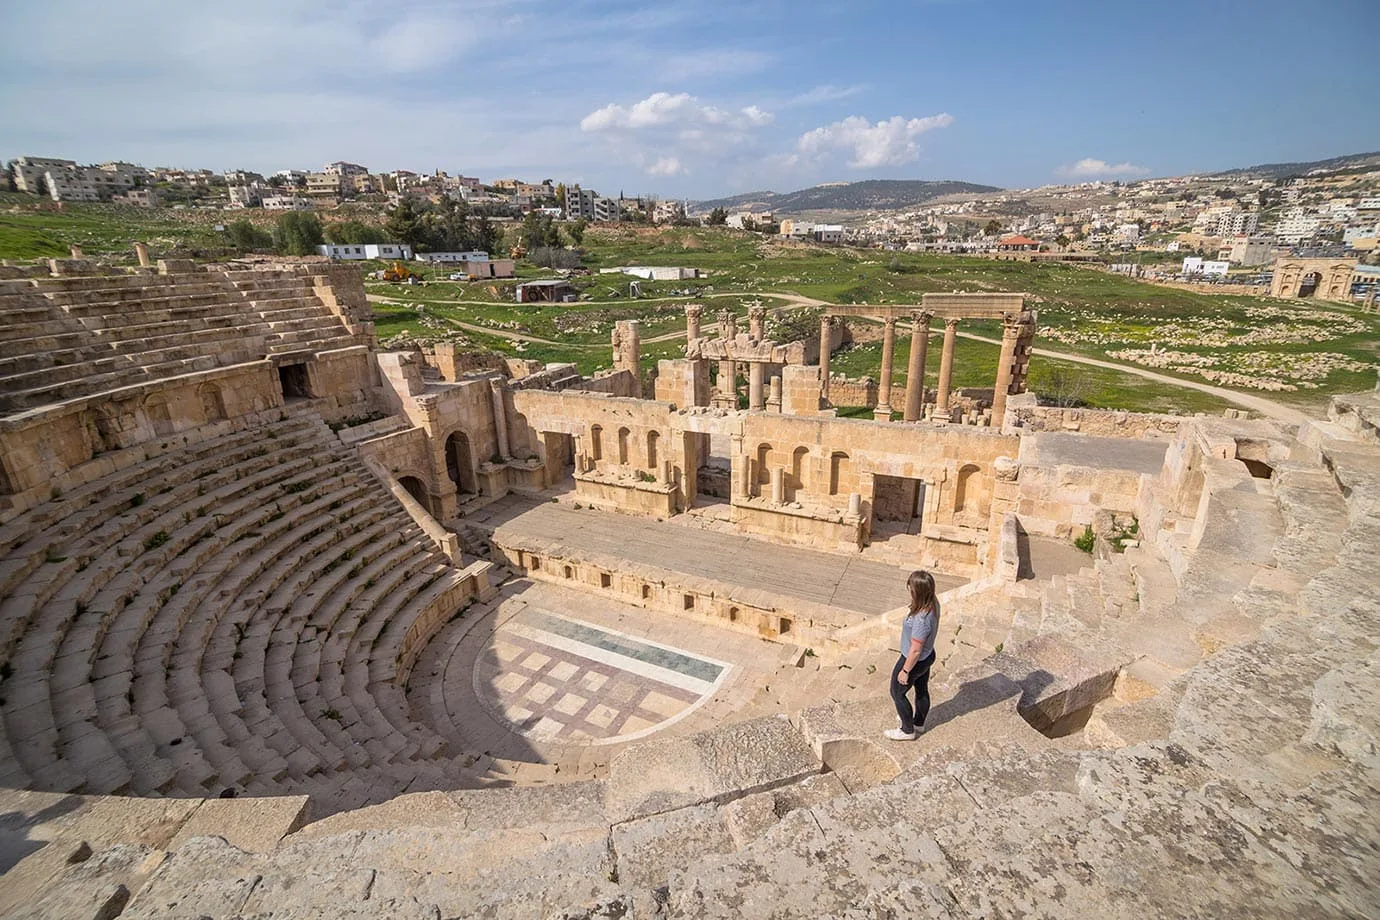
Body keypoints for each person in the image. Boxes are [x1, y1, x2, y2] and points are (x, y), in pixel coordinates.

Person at [885, 570, 939, 741]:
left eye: (911, 588)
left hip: (915, 660)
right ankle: (918, 723)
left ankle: (907, 730)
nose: (909, 590)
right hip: (928, 656)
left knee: (897, 692)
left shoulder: (922, 619)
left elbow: (915, 649)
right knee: (921, 690)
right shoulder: (933, 603)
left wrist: (906, 671)